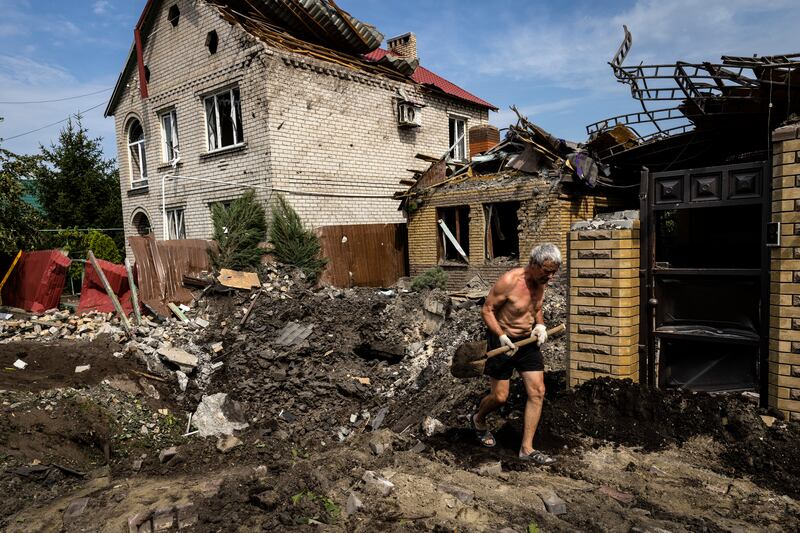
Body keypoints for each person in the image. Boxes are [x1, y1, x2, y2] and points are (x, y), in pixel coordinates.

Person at [471, 243, 561, 465]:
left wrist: (540, 326)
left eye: (554, 272)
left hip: (528, 343)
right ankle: (478, 418)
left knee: (538, 391)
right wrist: (501, 336)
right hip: (503, 341)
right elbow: (487, 310)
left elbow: (536, 308)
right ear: (533, 264)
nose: (551, 277)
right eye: (547, 271)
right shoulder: (510, 281)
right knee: (500, 397)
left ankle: (526, 449)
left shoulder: (541, 282)